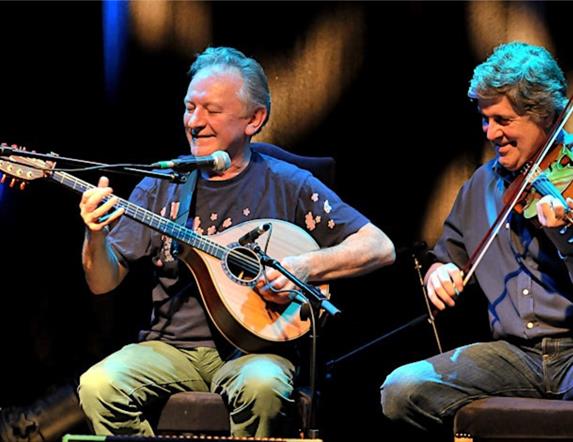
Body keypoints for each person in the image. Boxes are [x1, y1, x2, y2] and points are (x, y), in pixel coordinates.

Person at [77, 46, 395, 438]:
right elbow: (101, 282)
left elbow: (380, 247)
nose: (195, 122)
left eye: (211, 110)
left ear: (254, 119)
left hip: (258, 353)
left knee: (262, 387)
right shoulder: (162, 185)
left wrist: (302, 266)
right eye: (189, 107)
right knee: (99, 385)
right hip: (169, 349)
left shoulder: (289, 184)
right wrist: (95, 233)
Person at [381, 41, 573, 436]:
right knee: (402, 390)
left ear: (546, 117)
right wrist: (439, 272)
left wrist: (565, 238)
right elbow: (447, 254)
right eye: (486, 120)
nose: (491, 133)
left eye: (502, 120)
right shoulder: (481, 186)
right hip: (514, 355)